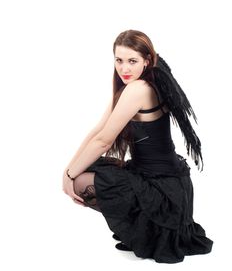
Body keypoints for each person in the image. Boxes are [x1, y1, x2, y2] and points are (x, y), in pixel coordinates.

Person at [62, 29, 213, 263]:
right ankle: (144, 231)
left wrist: (70, 175)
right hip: (169, 185)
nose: (124, 69)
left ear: (147, 61)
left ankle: (149, 231)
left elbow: (104, 141)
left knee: (81, 181)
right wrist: (68, 168)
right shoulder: (146, 82)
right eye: (119, 60)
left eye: (132, 61)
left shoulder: (138, 89)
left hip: (163, 191)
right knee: (84, 169)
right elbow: (98, 131)